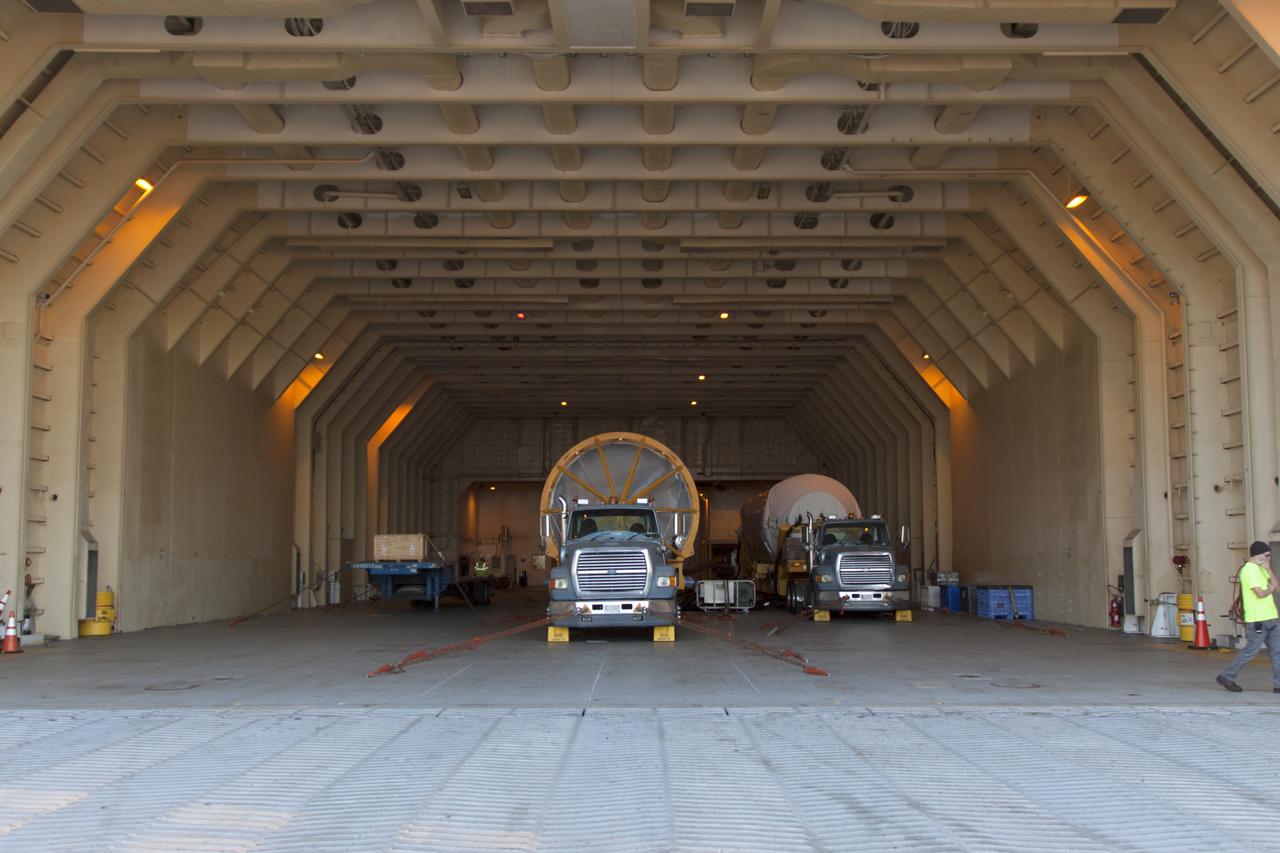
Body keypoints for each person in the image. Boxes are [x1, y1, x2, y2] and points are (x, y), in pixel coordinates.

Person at [1216, 540, 1279, 693]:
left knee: (1277, 651)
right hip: (1257, 620)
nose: (1268, 558)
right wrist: (1270, 589)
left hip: (1271, 617)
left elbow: (1276, 587)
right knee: (1250, 651)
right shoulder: (1249, 570)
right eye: (1266, 555)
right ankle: (1227, 676)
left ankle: (1279, 685)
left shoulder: (1262, 568)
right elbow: (1260, 593)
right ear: (1257, 555)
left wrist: (1269, 570)